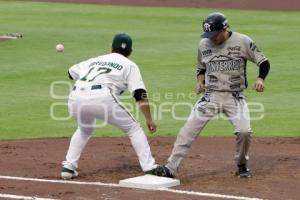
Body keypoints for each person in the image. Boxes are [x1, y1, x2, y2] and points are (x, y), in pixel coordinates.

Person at [151, 12, 270, 178]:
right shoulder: (204, 44)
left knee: (244, 132)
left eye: (214, 35)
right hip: (211, 96)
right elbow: (201, 68)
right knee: (188, 130)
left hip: (234, 96)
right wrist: (200, 82)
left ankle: (241, 163)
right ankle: (171, 167)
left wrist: (261, 79)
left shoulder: (242, 41)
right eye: (209, 35)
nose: (212, 39)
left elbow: (264, 62)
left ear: (225, 29)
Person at [61, 33, 158, 179]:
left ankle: (68, 167)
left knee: (84, 129)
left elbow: (70, 73)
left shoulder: (95, 60)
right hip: (102, 97)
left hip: (76, 98)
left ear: (111, 48)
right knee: (133, 128)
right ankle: (150, 168)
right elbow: (139, 93)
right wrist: (149, 119)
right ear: (131, 51)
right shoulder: (130, 65)